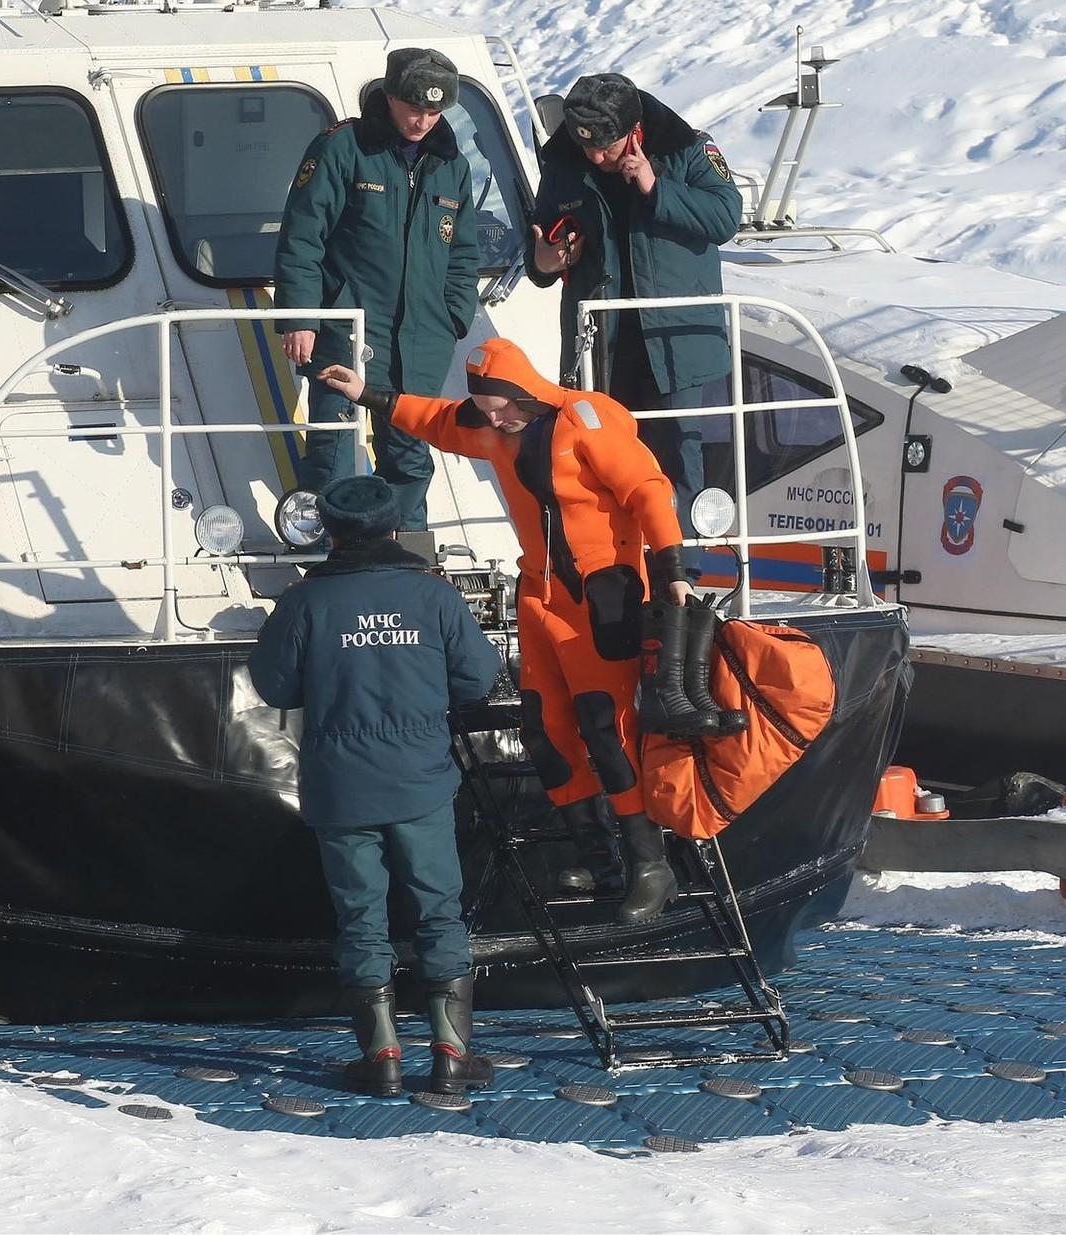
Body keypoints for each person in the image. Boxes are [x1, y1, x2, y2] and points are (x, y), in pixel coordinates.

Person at [317, 339, 741, 925]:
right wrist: (370, 395)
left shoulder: (585, 419)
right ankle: (598, 858)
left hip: (603, 594)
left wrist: (673, 571)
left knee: (608, 729)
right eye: (487, 411)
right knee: (544, 729)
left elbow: (648, 490)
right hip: (540, 596)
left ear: (523, 393)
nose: (494, 420)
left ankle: (650, 865)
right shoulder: (494, 428)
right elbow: (439, 421)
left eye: (499, 409)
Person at [248, 475, 503, 1098]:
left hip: (342, 787)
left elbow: (275, 686)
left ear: (331, 534)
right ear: (394, 529)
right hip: (419, 780)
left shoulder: (305, 602)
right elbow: (478, 679)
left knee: (361, 917)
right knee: (438, 911)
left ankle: (381, 1055)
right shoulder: (434, 595)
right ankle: (451, 1054)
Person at [526, 72, 743, 535]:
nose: (595, 156)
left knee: (677, 459)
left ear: (633, 130)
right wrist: (545, 260)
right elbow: (540, 245)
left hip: (673, 342)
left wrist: (655, 186)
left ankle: (680, 567)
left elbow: (726, 217)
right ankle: (616, 562)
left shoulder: (687, 149)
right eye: (586, 145)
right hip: (602, 343)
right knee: (601, 458)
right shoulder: (563, 163)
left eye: (605, 146)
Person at [273, 47, 481, 531]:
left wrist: (452, 317)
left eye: (434, 111)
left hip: (422, 338)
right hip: (349, 332)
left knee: (410, 457)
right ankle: (332, 552)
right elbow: (302, 237)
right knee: (333, 451)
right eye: (414, 107)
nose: (422, 121)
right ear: (389, 96)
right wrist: (301, 318)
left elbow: (463, 253)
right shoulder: (342, 148)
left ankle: (407, 556)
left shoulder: (452, 165)